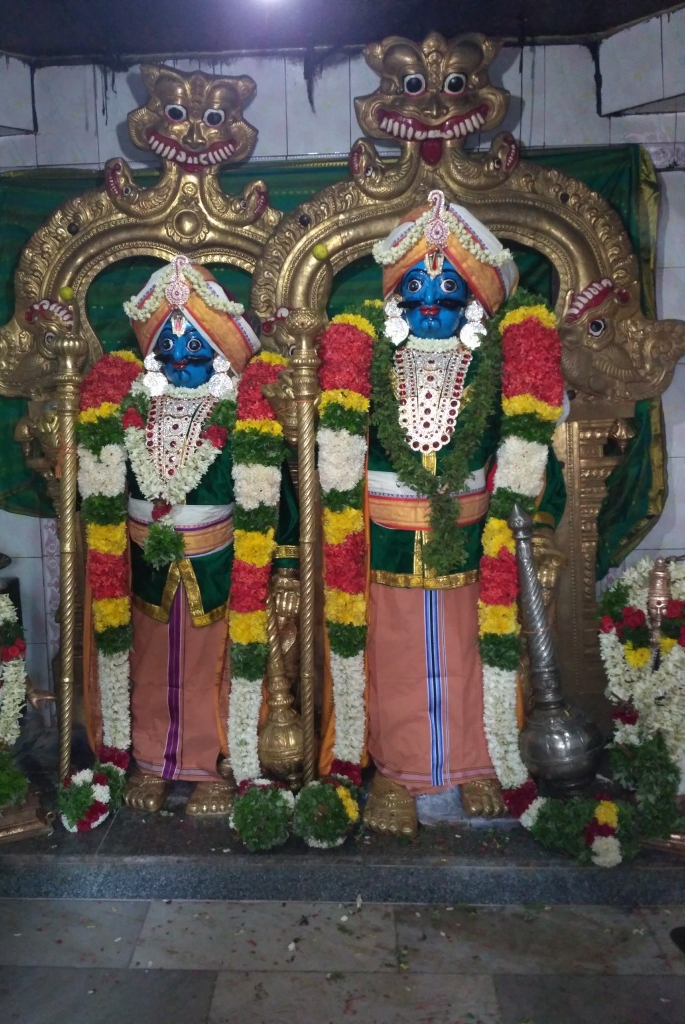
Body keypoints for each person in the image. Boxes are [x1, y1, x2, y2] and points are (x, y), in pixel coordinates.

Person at [317, 189, 565, 836]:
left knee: (466, 656)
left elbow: (534, 459)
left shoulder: (496, 366)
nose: (430, 303)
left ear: (474, 300)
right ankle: (396, 776)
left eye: (448, 289)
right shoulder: (367, 365)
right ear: (395, 297)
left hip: (472, 549)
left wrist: (534, 523)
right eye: (417, 289)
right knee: (395, 657)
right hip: (386, 548)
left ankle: (476, 767)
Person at [78, 257, 267, 814]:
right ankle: (150, 762)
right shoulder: (128, 409)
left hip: (219, 562)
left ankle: (216, 768)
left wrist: (277, 565)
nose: (182, 362)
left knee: (214, 666)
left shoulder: (242, 413)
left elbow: (270, 496)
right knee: (151, 662)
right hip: (143, 561)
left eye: (195, 350)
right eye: (169, 350)